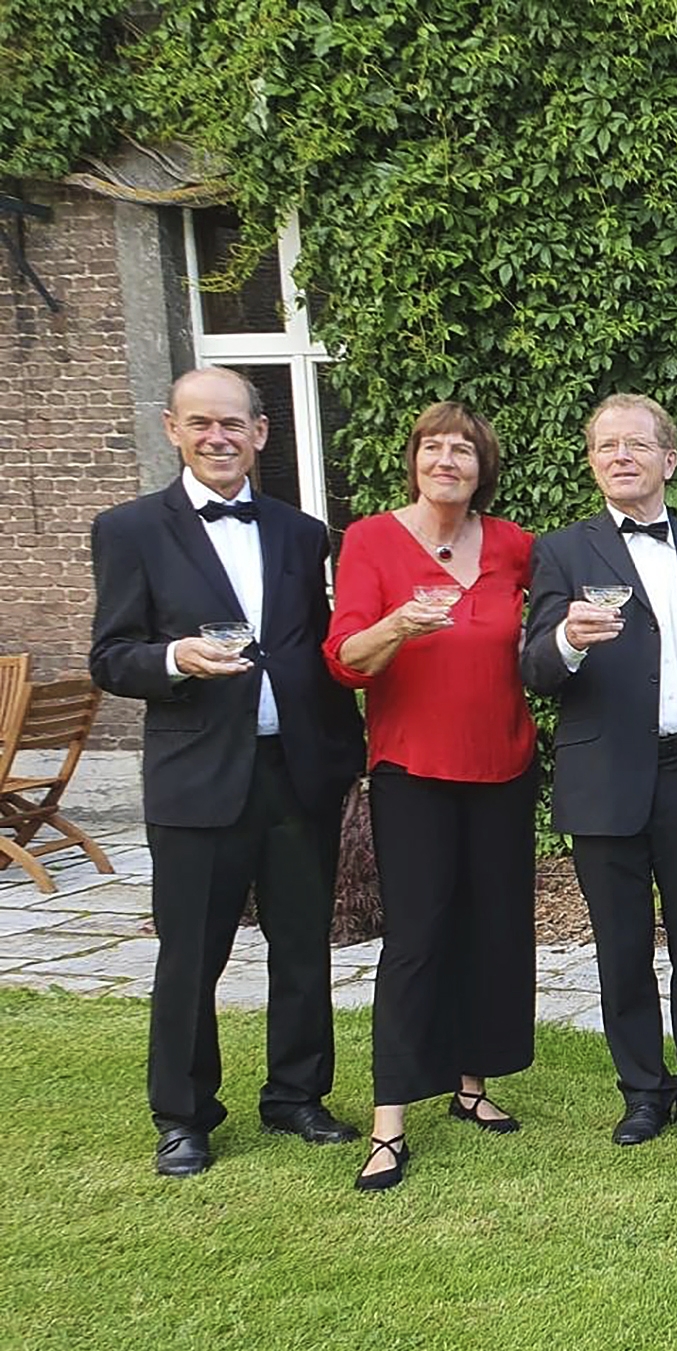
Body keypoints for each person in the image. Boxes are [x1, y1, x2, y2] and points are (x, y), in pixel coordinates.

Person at [89, 366, 367, 1177]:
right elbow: (110, 655)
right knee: (190, 955)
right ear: (172, 428)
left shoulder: (300, 532)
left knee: (303, 946)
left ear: (260, 433)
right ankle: (183, 1116)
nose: (218, 437)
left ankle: (297, 1095)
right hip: (198, 776)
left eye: (233, 423)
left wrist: (344, 756)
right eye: (201, 423)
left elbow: (315, 647)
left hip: (296, 773)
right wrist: (175, 656)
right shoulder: (130, 529)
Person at [521, 393, 677, 1148]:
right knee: (621, 950)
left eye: (635, 443)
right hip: (604, 781)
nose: (620, 456)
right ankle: (641, 1092)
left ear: (669, 459)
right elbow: (535, 671)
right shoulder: (562, 553)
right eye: (606, 446)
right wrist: (568, 638)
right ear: (592, 463)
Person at [324, 402, 538, 1192]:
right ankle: (389, 1124)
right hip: (412, 770)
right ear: (413, 460)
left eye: (463, 450)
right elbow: (345, 659)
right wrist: (397, 626)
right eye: (433, 447)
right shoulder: (370, 541)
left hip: (504, 767)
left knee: (491, 932)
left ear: (483, 468)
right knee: (416, 941)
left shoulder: (513, 545)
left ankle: (470, 1085)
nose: (447, 460)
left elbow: (545, 631)